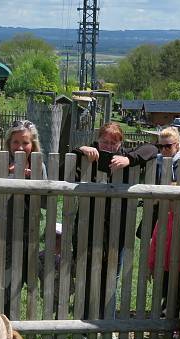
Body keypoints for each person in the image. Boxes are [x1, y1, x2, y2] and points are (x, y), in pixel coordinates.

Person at [71, 122, 158, 320]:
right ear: (97, 140)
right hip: (88, 229)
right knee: (86, 278)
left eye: (113, 142)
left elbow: (152, 148)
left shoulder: (125, 157)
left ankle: (105, 322)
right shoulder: (87, 156)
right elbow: (61, 170)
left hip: (117, 232)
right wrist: (80, 150)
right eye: (105, 141)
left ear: (121, 144)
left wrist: (129, 159)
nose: (109, 146)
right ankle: (84, 324)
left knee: (111, 279)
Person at [0, 119, 46, 315]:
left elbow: (45, 204)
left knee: (17, 287)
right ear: (8, 143)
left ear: (33, 144)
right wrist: (8, 178)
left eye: (25, 143)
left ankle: (12, 328)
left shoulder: (38, 167)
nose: (20, 147)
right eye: (15, 142)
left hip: (25, 237)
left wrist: (29, 183)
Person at [149, 126, 180, 320]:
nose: (163, 150)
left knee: (178, 263)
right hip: (159, 216)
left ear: (177, 145)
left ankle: (173, 309)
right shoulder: (156, 162)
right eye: (160, 146)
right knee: (160, 260)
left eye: (167, 146)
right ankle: (163, 306)